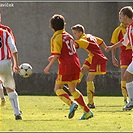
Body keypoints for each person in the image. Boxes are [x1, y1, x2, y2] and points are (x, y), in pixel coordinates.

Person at [44, 14, 94, 120]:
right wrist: (53, 57)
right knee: (72, 89)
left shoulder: (56, 38)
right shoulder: (68, 35)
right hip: (75, 64)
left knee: (57, 89)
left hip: (66, 66)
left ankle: (71, 104)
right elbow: (66, 51)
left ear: (52, 26)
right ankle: (87, 111)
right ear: (64, 25)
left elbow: (57, 54)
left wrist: (48, 66)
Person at [71, 24, 108, 108]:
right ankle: (73, 86)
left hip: (97, 58)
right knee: (82, 70)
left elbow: (75, 45)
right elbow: (101, 41)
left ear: (80, 32)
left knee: (89, 79)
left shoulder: (83, 39)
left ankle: (91, 103)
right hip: (91, 56)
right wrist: (106, 48)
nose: (74, 35)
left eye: (75, 33)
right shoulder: (89, 36)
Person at [106, 6, 133, 111]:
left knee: (127, 76)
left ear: (126, 16)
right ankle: (131, 101)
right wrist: (112, 47)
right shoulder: (129, 28)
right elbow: (124, 41)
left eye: (121, 16)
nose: (120, 18)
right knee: (126, 76)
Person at [0, 24, 22, 120]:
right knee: (10, 88)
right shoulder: (5, 32)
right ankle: (17, 113)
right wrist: (16, 64)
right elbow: (14, 50)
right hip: (5, 63)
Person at [0, 14, 16, 106]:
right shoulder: (6, 30)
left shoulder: (6, 29)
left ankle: (2, 98)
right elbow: (13, 45)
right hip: (5, 60)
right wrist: (14, 62)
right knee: (9, 87)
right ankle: (17, 112)